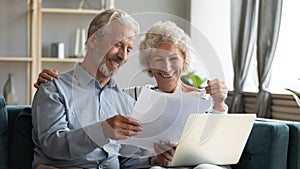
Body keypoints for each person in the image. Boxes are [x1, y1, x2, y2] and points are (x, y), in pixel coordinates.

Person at [34, 20, 230, 169]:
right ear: (149, 65)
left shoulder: (122, 99)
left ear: (184, 60)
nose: (167, 67)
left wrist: (219, 105)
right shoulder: (132, 97)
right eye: (158, 59)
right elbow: (54, 142)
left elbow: (219, 146)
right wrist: (52, 83)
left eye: (128, 49)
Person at [31, 8, 170, 169]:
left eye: (128, 49)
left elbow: (126, 159)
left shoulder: (125, 102)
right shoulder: (54, 88)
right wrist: (101, 131)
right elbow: (52, 145)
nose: (123, 56)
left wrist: (153, 160)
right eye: (118, 45)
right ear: (93, 40)